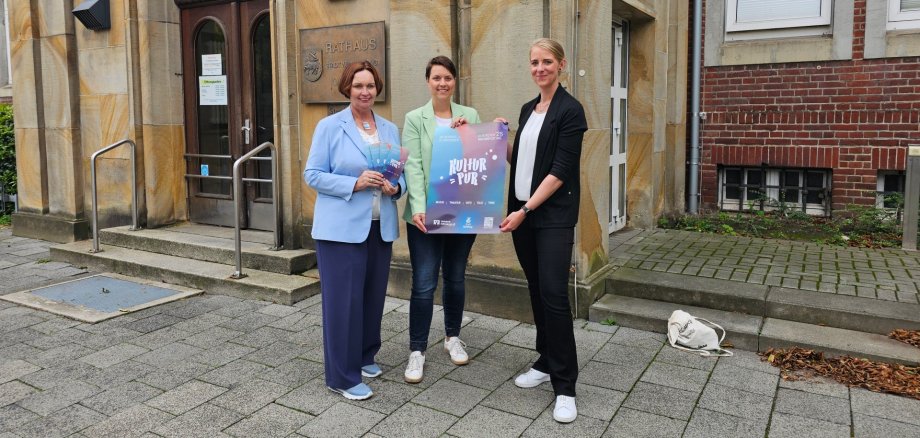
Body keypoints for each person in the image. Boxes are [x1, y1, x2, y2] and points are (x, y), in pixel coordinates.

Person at [303, 61, 405, 400]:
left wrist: (396, 187)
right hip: (340, 230)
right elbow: (313, 174)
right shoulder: (330, 127)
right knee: (343, 303)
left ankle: (364, 356)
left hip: (380, 226)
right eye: (358, 85)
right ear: (347, 88)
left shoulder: (388, 128)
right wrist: (355, 182)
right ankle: (342, 377)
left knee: (372, 297)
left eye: (371, 85)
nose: (365, 91)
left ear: (378, 89)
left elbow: (399, 174)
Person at [498, 38, 587, 423]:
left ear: (561, 65)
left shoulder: (571, 111)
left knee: (553, 294)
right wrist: (496, 141)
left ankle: (565, 385)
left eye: (547, 61)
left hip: (550, 216)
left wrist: (526, 209)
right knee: (536, 287)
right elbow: (522, 161)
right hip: (523, 214)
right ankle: (546, 359)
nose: (540, 68)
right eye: (534, 62)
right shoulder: (527, 109)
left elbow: (559, 170)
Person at [401, 56, 481, 383]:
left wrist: (470, 136)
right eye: (436, 78)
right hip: (425, 216)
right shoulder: (414, 119)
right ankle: (417, 350)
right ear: (428, 81)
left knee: (456, 277)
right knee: (423, 283)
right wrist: (419, 207)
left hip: (462, 213)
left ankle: (452, 338)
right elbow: (413, 166)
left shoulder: (470, 115)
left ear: (454, 82)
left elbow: (480, 161)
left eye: (447, 77)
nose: (442, 83)